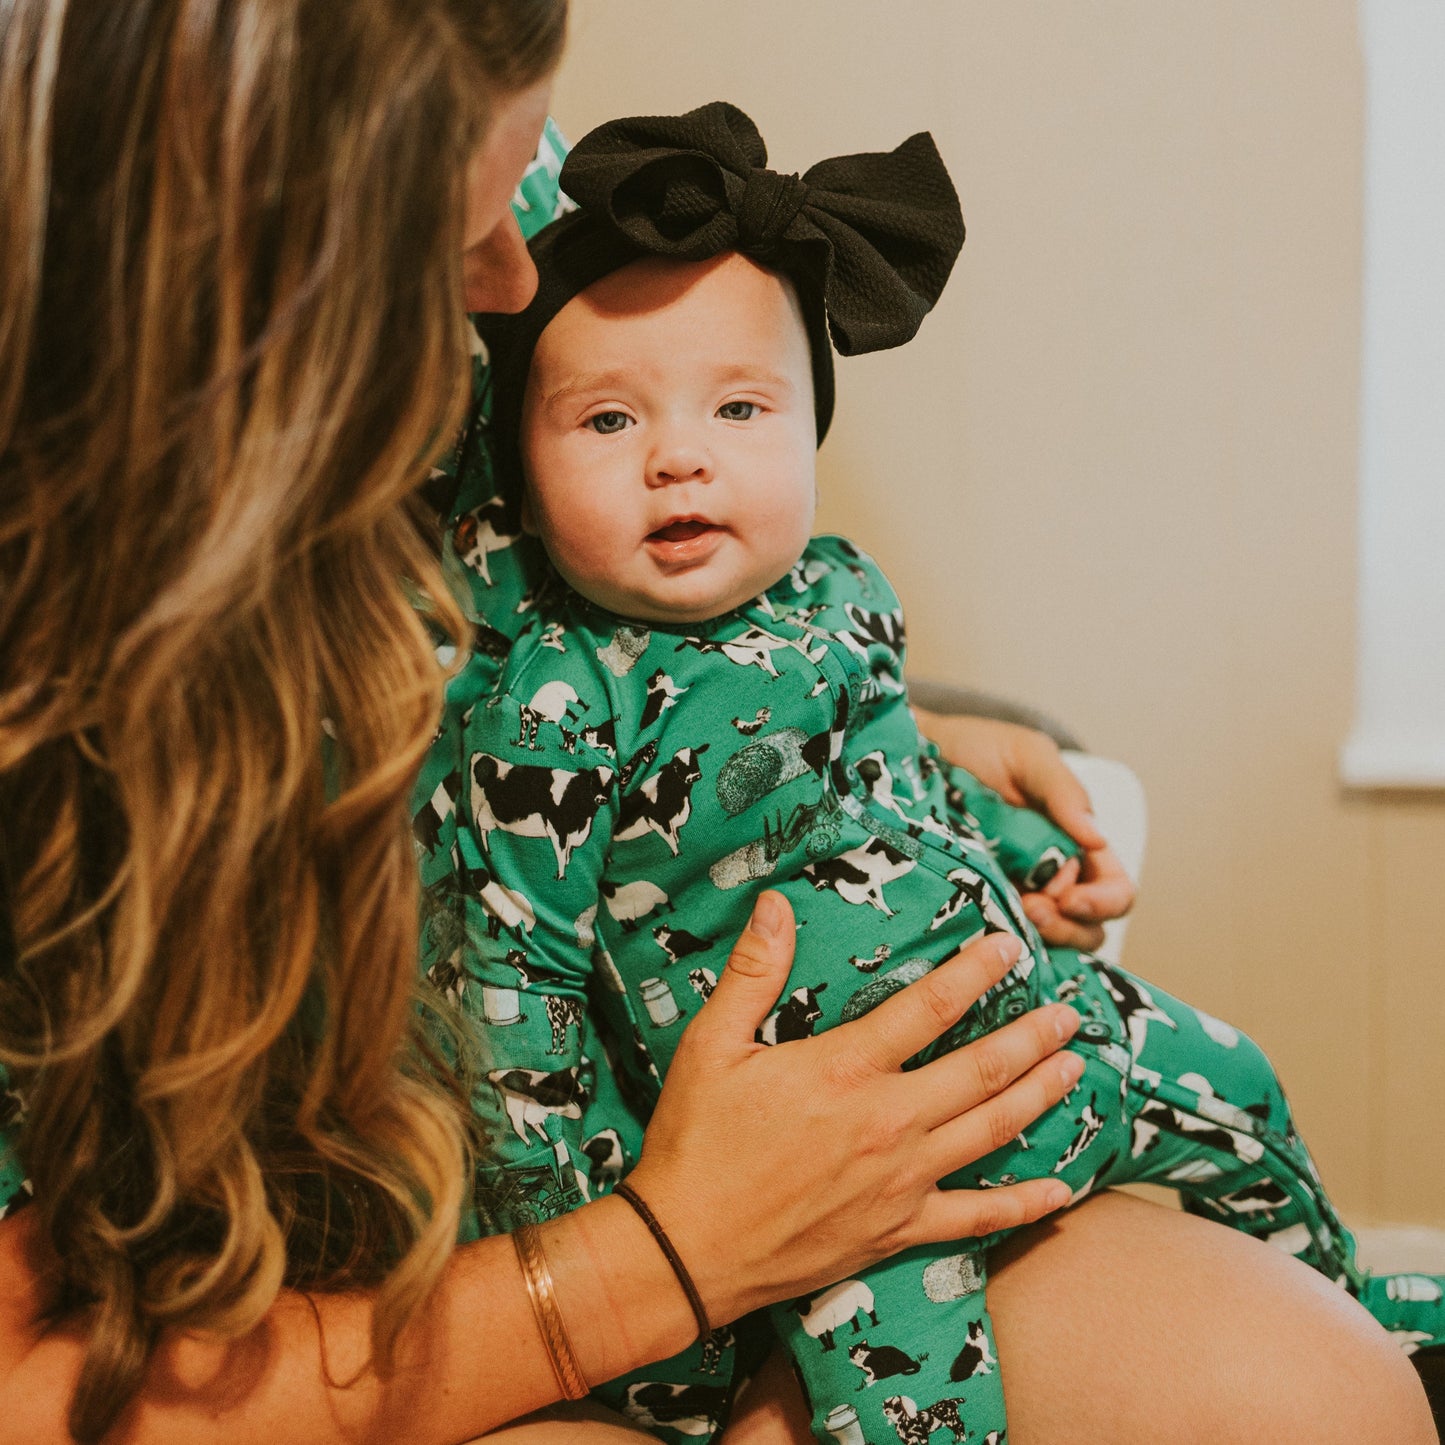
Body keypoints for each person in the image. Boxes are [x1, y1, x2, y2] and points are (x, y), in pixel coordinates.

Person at [0, 5, 1433, 1445]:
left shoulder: (494, 245)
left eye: (523, 187)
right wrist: (666, 1252)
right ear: (201, 287)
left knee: (1321, 1403)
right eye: (450, 235)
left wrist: (842, 737)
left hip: (732, 1160)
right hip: (347, 1311)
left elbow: (582, 613)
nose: (513, 283)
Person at [459, 103, 1445, 1445]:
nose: (677, 455)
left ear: (808, 424)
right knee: (911, 1391)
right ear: (515, 463)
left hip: (1027, 1028)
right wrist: (586, 1222)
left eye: (738, 407)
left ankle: (1348, 1287)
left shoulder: (842, 593)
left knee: (1239, 1083)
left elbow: (881, 778)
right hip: (817, 1159)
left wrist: (1014, 842)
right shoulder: (559, 699)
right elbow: (515, 972)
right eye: (609, 419)